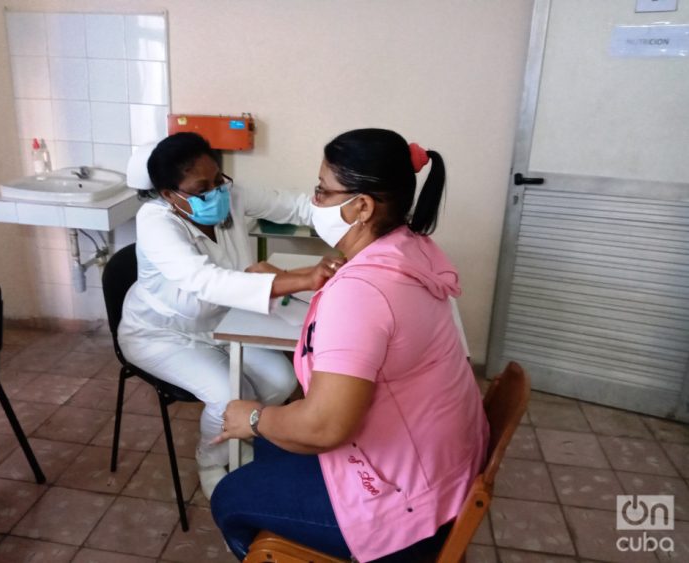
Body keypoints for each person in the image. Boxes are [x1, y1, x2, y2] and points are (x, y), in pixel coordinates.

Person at [210, 128, 490, 562]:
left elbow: (324, 427)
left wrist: (251, 414)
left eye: (322, 191)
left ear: (361, 206)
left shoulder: (363, 292)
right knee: (269, 443)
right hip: (445, 468)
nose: (314, 201)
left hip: (412, 506)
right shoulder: (410, 249)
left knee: (230, 496)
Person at [118, 132, 344, 499]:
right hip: (160, 335)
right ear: (168, 195)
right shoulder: (155, 221)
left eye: (218, 179)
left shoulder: (228, 196)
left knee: (281, 380)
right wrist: (298, 278)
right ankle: (209, 459)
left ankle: (235, 438)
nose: (216, 191)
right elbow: (202, 280)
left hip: (221, 323)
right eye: (201, 187)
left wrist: (350, 218)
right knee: (227, 395)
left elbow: (296, 206)